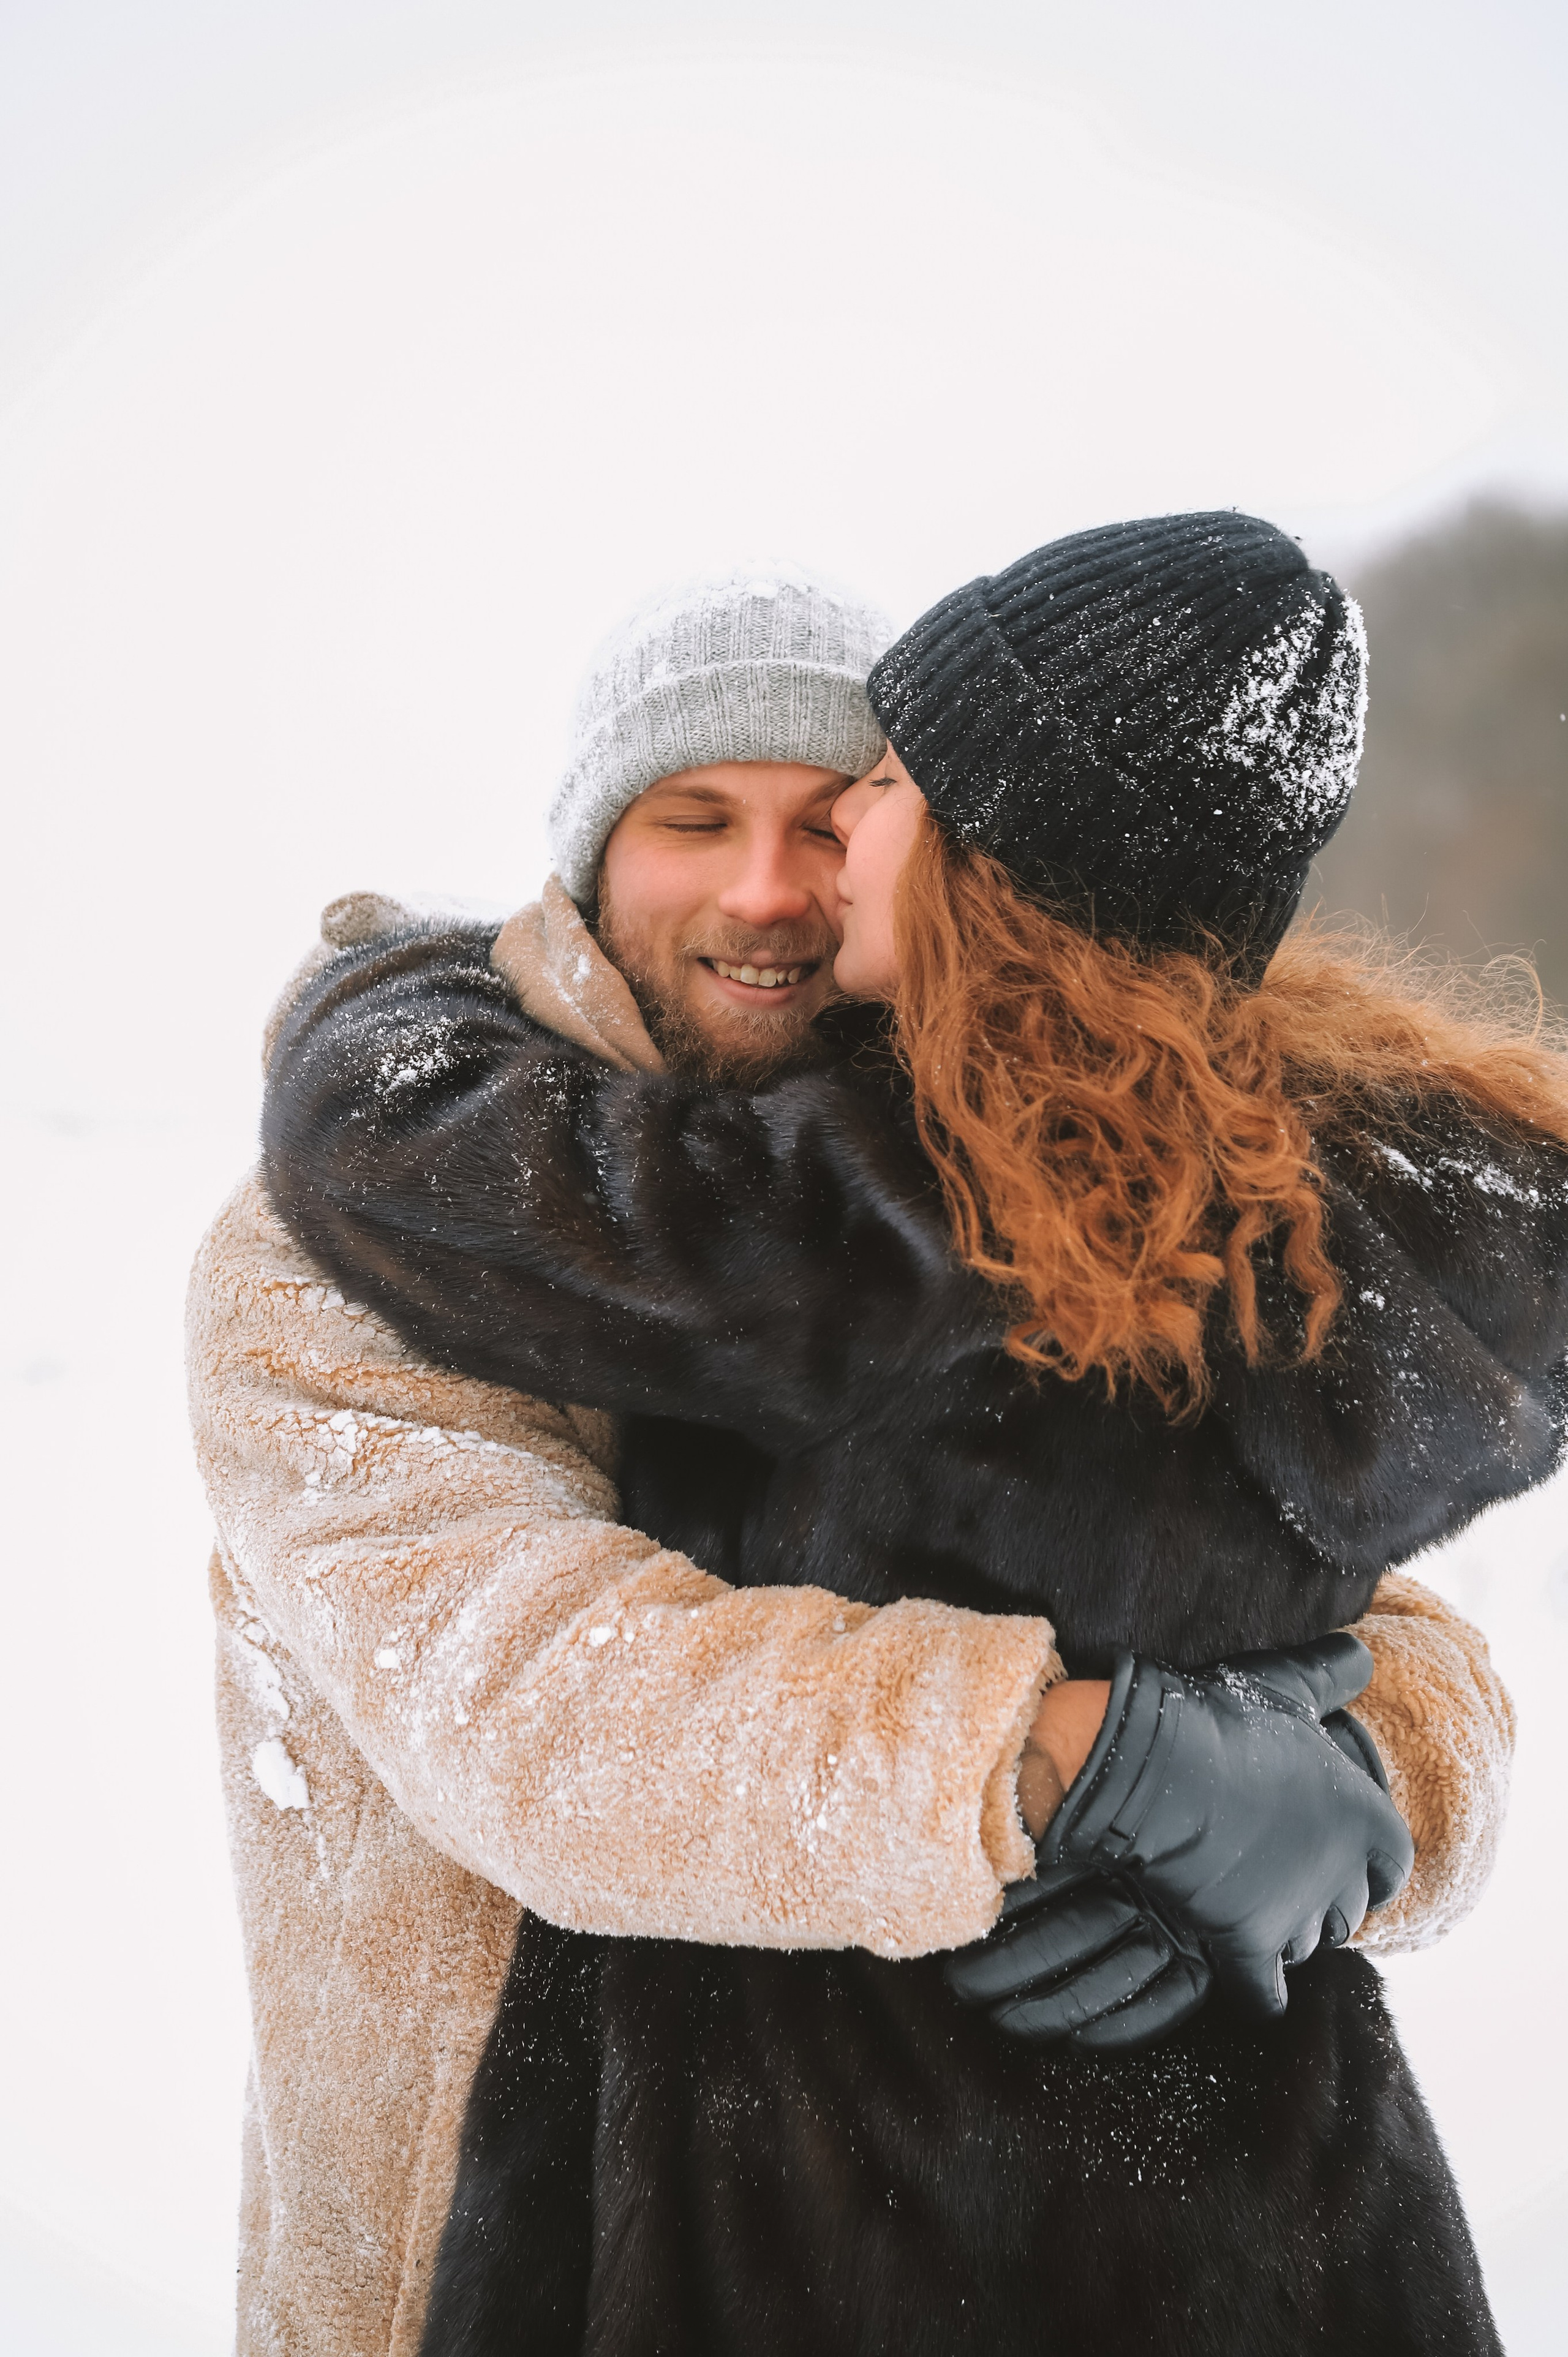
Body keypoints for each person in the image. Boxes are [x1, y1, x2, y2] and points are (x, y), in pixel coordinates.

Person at [248, 521, 1552, 2353]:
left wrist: (1361, 1786)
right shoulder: (325, 1264)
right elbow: (534, 1705)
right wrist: (1091, 1762)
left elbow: (1357, 1621)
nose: (774, 891)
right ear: (587, 850)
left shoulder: (991, 1202)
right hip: (520, 2228)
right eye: (696, 818)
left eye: (839, 806)